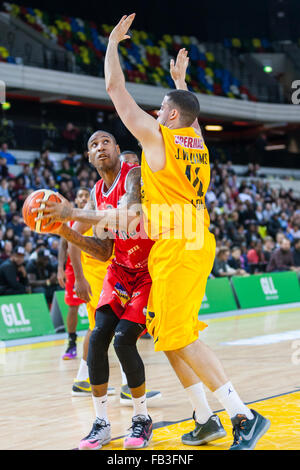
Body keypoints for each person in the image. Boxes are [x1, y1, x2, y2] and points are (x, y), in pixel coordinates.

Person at [103, 16, 270, 451]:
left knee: (182, 337)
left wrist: (112, 46)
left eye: (161, 108)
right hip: (184, 240)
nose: (155, 113)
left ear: (170, 115)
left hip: (181, 243)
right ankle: (205, 418)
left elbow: (115, 92)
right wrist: (179, 80)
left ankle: (243, 415)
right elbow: (190, 114)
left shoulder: (158, 139)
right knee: (168, 335)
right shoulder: (196, 141)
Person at [34, 131, 158, 450]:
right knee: (99, 335)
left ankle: (142, 419)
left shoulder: (133, 175)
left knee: (124, 339)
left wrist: (72, 215)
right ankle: (101, 423)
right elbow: (102, 251)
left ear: (117, 149)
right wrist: (62, 229)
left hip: (148, 271)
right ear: (89, 158)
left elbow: (131, 218)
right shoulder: (95, 192)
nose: (99, 147)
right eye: (93, 145)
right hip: (119, 269)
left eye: (105, 142)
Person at [57, 187, 91, 360]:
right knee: (73, 306)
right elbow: (63, 246)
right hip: (73, 269)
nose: (83, 198)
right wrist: (60, 268)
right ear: (76, 201)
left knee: (101, 308)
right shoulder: (69, 220)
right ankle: (71, 343)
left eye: (86, 195)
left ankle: (99, 343)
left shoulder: (96, 215)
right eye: (80, 196)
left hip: (94, 266)